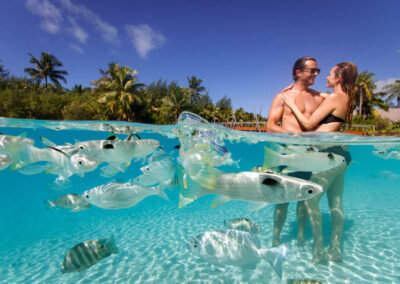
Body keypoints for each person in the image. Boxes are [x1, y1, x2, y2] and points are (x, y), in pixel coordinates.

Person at [266, 58, 358, 263]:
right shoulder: (284, 96)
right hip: (291, 153)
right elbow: (271, 126)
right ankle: (275, 239)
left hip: (315, 157)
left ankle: (302, 238)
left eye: (320, 71)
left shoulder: (322, 97)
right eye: (313, 70)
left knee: (305, 200)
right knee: (282, 201)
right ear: (299, 72)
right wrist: (295, 139)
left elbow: (335, 102)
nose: (318, 74)